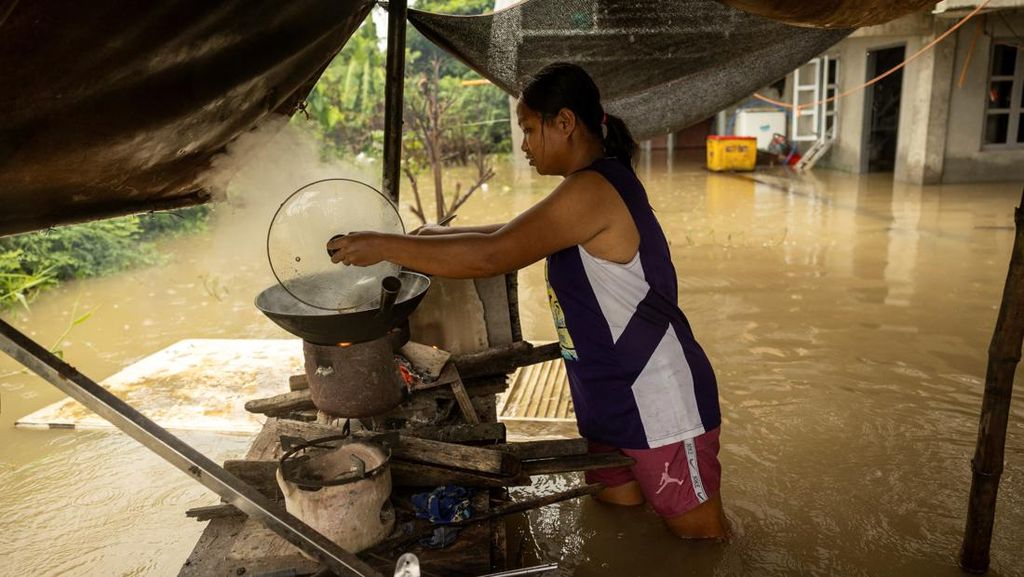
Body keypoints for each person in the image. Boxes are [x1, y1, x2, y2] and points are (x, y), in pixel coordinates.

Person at [328, 62, 727, 539]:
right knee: (619, 533)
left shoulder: (594, 188)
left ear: (565, 122)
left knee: (703, 545)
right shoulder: (587, 188)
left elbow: (494, 254)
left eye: (529, 129)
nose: (524, 144)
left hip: (659, 403)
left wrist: (383, 246)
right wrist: (429, 237)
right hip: (608, 398)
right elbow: (510, 234)